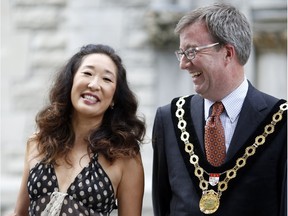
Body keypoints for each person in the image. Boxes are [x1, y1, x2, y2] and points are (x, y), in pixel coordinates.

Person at [152, 3, 287, 216]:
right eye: (182, 53)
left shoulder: (281, 120)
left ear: (227, 53)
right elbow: (162, 205)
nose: (183, 64)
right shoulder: (169, 118)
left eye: (192, 51)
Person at [12, 44, 146, 216]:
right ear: (71, 81)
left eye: (107, 79)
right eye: (87, 73)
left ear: (114, 97)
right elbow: (19, 213)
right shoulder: (38, 141)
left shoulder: (125, 155)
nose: (94, 84)